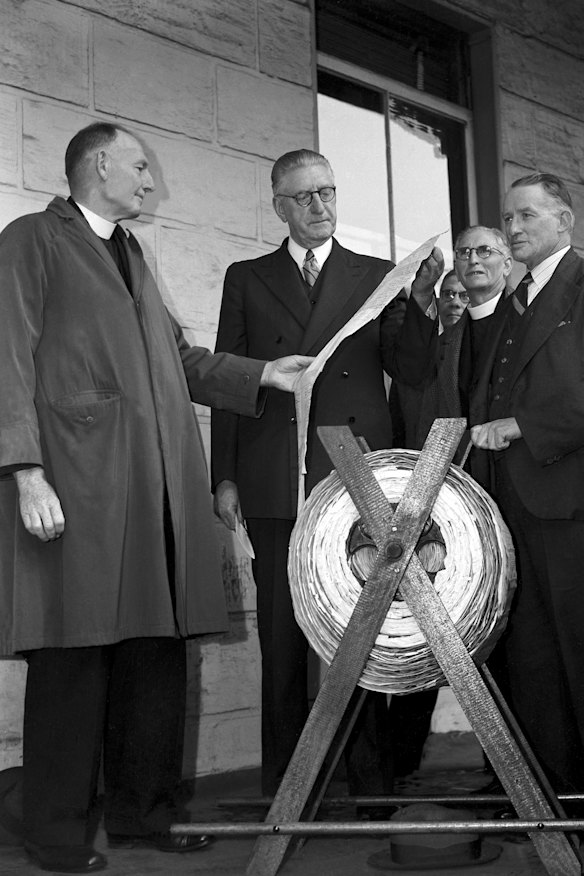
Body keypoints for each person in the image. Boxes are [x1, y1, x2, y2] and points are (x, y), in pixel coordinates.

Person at [0, 122, 312, 874]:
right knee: (74, 659)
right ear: (98, 164)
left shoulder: (132, 253)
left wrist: (262, 376)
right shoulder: (31, 239)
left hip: (158, 490)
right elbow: (4, 351)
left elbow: (178, 357)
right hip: (79, 484)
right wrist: (24, 470)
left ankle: (145, 816)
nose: (150, 180)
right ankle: (53, 833)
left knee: (153, 656)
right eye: (141, 166)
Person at [210, 148, 442, 804]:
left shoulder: (375, 274)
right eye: (305, 197)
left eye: (329, 193)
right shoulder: (247, 277)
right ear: (279, 205)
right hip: (275, 474)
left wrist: (421, 304)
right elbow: (231, 374)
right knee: (284, 641)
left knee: (359, 632)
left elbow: (413, 368)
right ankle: (290, 790)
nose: (320, 207)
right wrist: (223, 476)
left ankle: (372, 787)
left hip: (357, 475)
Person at [470, 173, 584, 796]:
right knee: (533, 662)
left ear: (564, 220)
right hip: (510, 507)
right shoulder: (518, 299)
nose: (512, 228)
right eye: (507, 218)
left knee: (576, 655)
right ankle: (552, 801)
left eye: (526, 216)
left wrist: (525, 424)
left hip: (570, 506)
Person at [387, 228, 512, 778]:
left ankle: (502, 765)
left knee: (493, 629)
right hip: (425, 507)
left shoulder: (499, 345)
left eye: (467, 296)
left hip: (485, 502)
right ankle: (399, 760)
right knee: (417, 629)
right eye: (449, 296)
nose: (459, 304)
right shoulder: (426, 358)